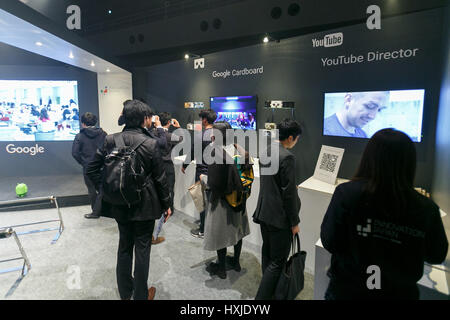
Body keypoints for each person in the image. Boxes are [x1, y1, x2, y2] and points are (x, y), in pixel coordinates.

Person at [320, 128, 448, 300]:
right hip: (398, 294)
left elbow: (330, 240)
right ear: (409, 161)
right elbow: (436, 254)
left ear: (368, 157)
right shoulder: (426, 209)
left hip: (348, 289)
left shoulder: (347, 194)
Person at [86, 100, 172, 300]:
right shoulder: (151, 144)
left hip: (119, 205)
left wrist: (107, 187)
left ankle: (126, 293)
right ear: (144, 119)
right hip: (145, 205)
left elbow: (91, 169)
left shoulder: (110, 140)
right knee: (142, 250)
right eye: (149, 117)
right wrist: (167, 205)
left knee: (124, 246)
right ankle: (141, 296)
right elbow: (161, 179)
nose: (151, 120)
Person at [253, 118, 302, 300]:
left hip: (264, 213)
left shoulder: (266, 152)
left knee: (268, 254)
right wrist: (294, 222)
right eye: (297, 139)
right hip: (279, 218)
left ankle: (271, 293)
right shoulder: (287, 157)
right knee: (277, 262)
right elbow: (288, 195)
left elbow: (272, 184)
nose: (296, 142)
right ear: (290, 138)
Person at [202, 121, 251, 279]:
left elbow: (214, 184)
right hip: (239, 199)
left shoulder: (215, 153)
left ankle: (221, 269)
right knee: (238, 233)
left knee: (221, 236)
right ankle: (236, 263)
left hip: (222, 203)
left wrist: (202, 178)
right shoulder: (238, 149)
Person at [183, 109, 217, 239]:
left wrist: (185, 165)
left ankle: (203, 230)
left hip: (202, 172)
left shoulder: (200, 135)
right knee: (213, 201)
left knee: (202, 202)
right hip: (215, 172)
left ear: (204, 120)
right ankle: (212, 228)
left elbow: (192, 152)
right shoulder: (219, 134)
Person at [151, 112, 182, 245]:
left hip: (155, 166)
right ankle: (169, 210)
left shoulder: (152, 133)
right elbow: (181, 139)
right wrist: (178, 127)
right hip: (168, 166)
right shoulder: (170, 136)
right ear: (169, 122)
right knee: (169, 189)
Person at [72, 112, 107, 219]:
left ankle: (95, 212)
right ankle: (103, 210)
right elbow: (108, 149)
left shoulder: (80, 136)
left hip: (88, 167)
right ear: (96, 122)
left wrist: (83, 162)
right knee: (102, 189)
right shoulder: (104, 134)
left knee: (91, 189)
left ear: (83, 124)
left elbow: (75, 153)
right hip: (102, 166)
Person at [323, 91, 389, 138]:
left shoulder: (362, 134)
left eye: (379, 110)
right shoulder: (325, 131)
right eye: (370, 106)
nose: (373, 116)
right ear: (348, 99)